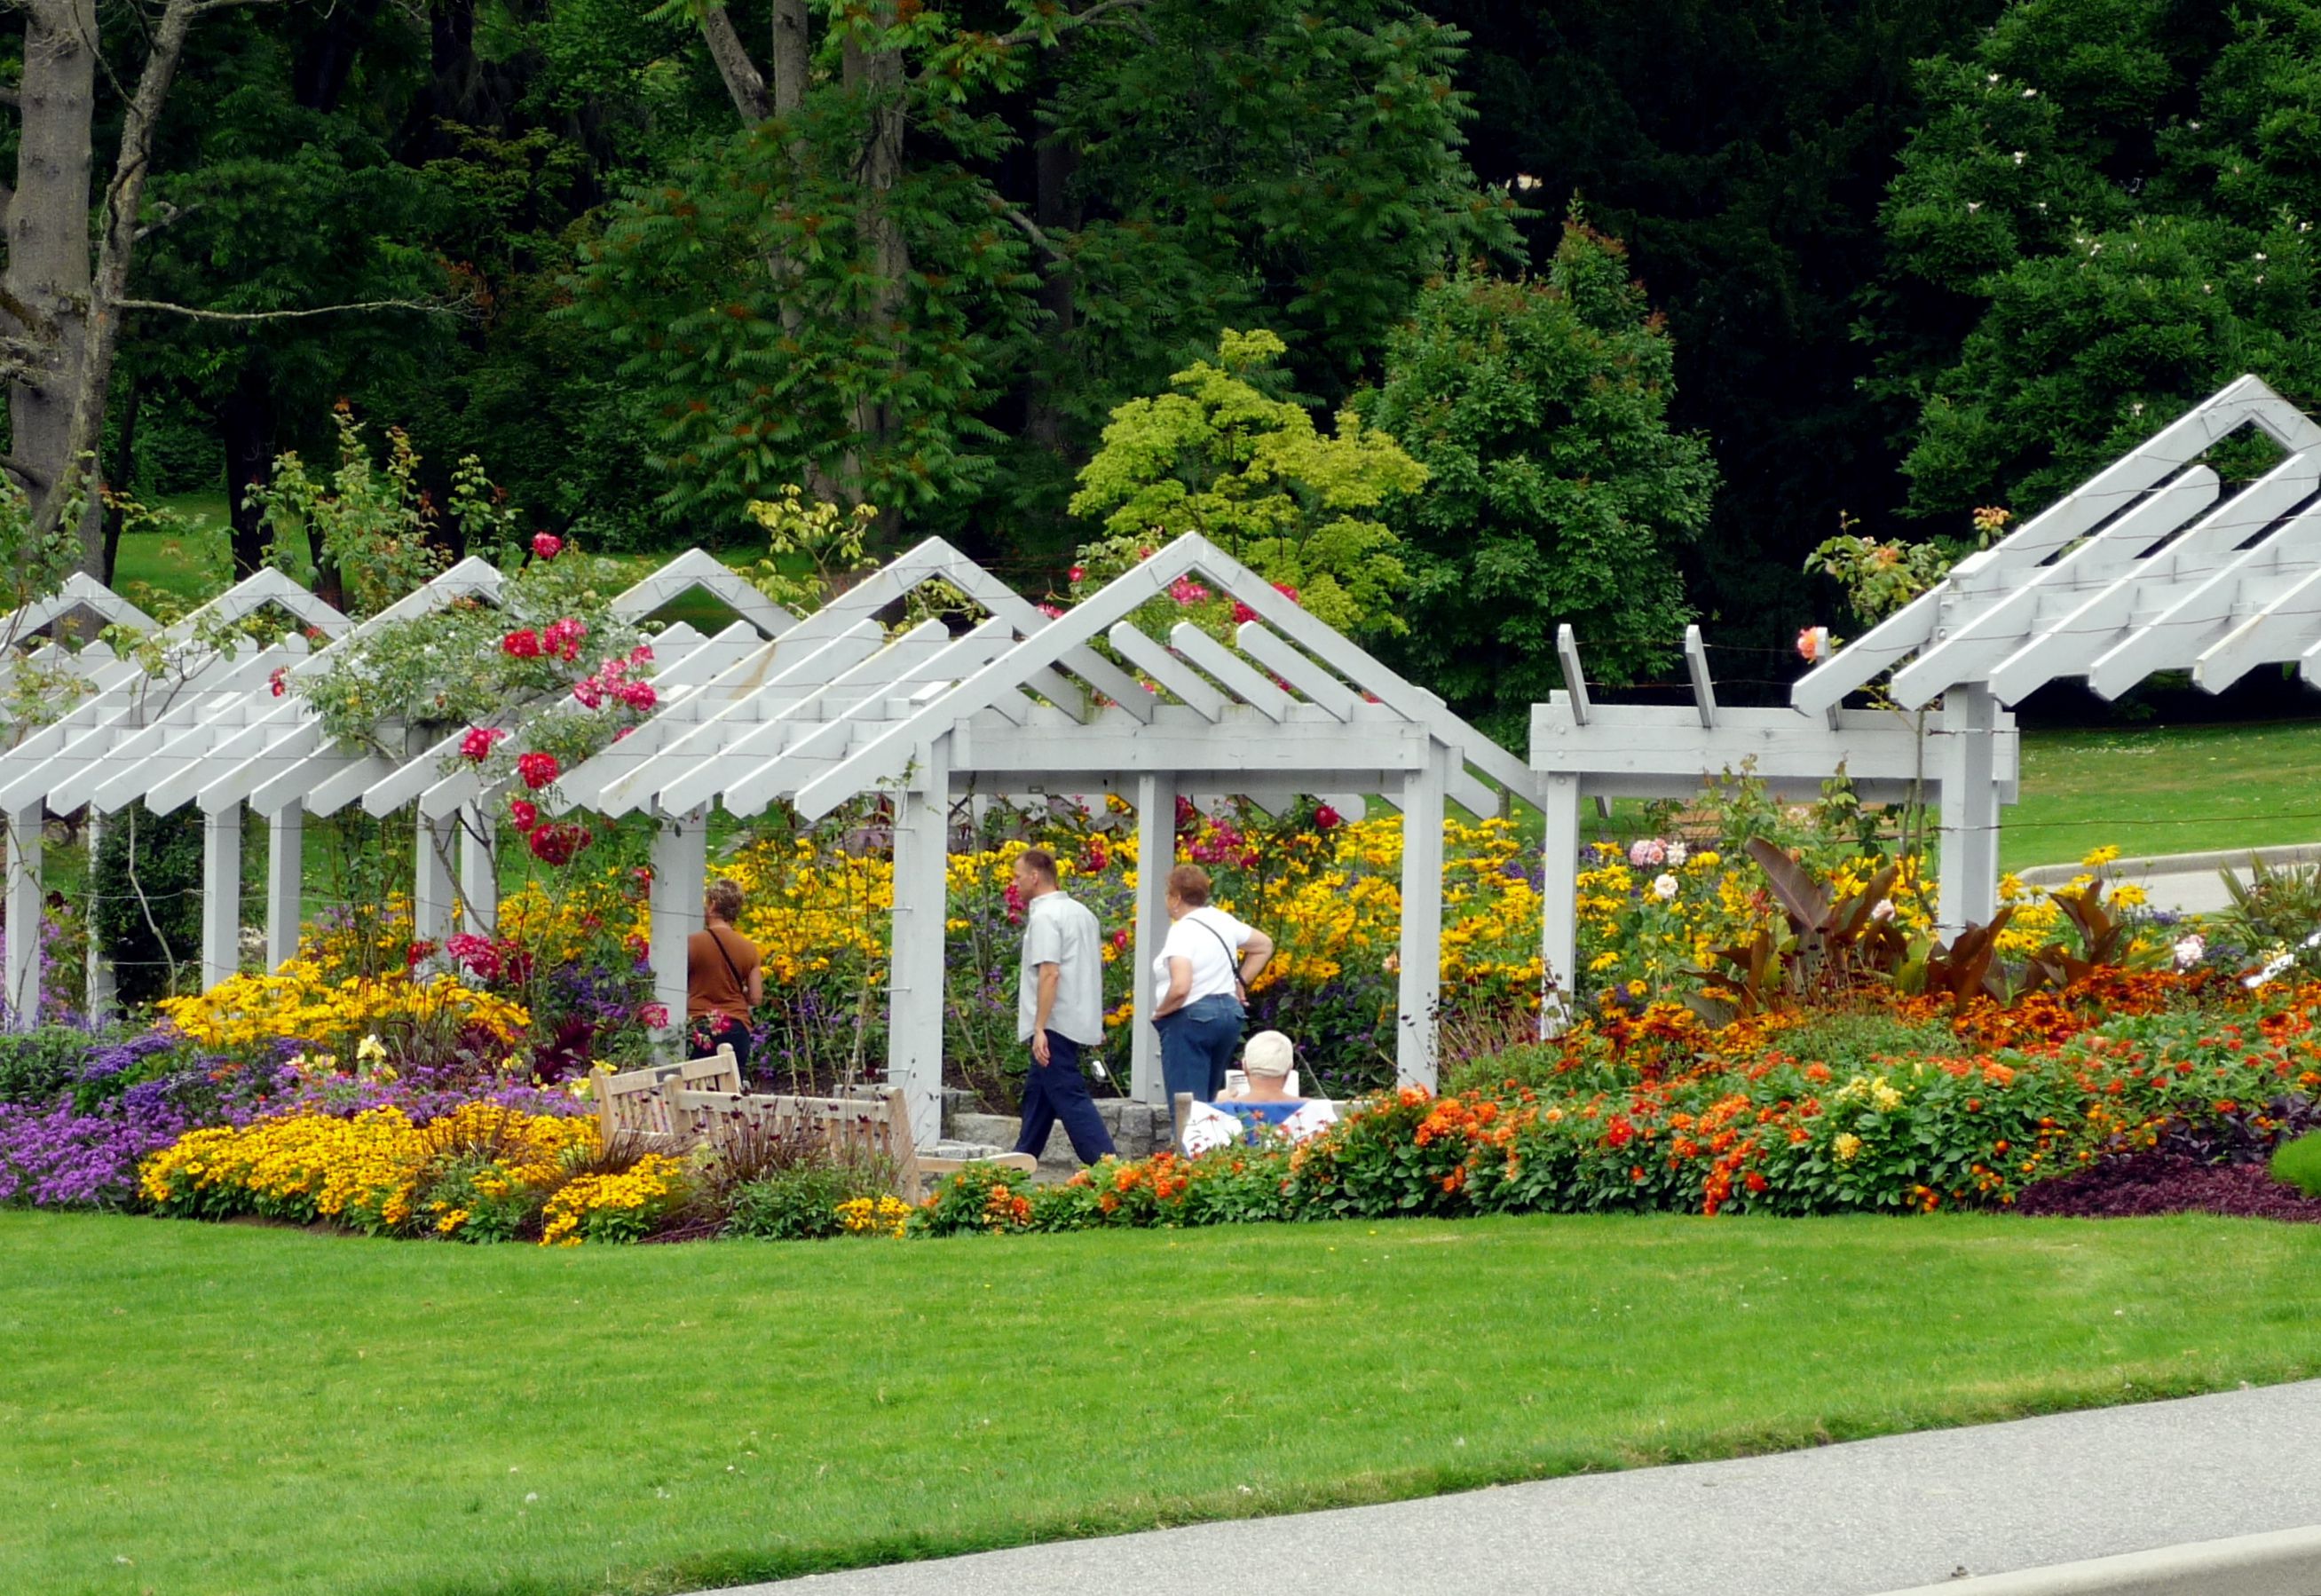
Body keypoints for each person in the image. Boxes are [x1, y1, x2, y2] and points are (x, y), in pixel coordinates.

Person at [1012, 847, 1117, 1165]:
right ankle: (1019, 1162)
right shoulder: (1082, 913)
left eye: (1018, 876)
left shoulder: (1045, 916)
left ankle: (1108, 1166)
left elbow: (1050, 972)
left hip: (1054, 1022)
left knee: (1069, 1096)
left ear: (1035, 876)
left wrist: (1039, 1027)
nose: (1014, 883)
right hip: (1078, 1016)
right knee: (1038, 1097)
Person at [1151, 863, 1274, 1103]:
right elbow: (1264, 945)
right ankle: (1209, 1141)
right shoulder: (1222, 919)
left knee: (1187, 1106)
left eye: (1168, 895)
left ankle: (1187, 1142)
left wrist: (1161, 1012)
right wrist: (1241, 982)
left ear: (1176, 898)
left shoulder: (1182, 930)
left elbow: (1181, 987)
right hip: (1229, 1016)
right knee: (1207, 1102)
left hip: (1191, 1019)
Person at [1183, 1031, 1337, 1154]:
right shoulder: (1316, 1112)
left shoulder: (1214, 1112)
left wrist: (1218, 1105)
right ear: (1289, 1068)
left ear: (1245, 1067)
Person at [686, 878, 763, 1069]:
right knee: (732, 1094)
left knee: (699, 1092)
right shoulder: (749, 948)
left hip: (702, 1027)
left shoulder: (691, 943)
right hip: (737, 1029)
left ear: (712, 905)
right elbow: (756, 998)